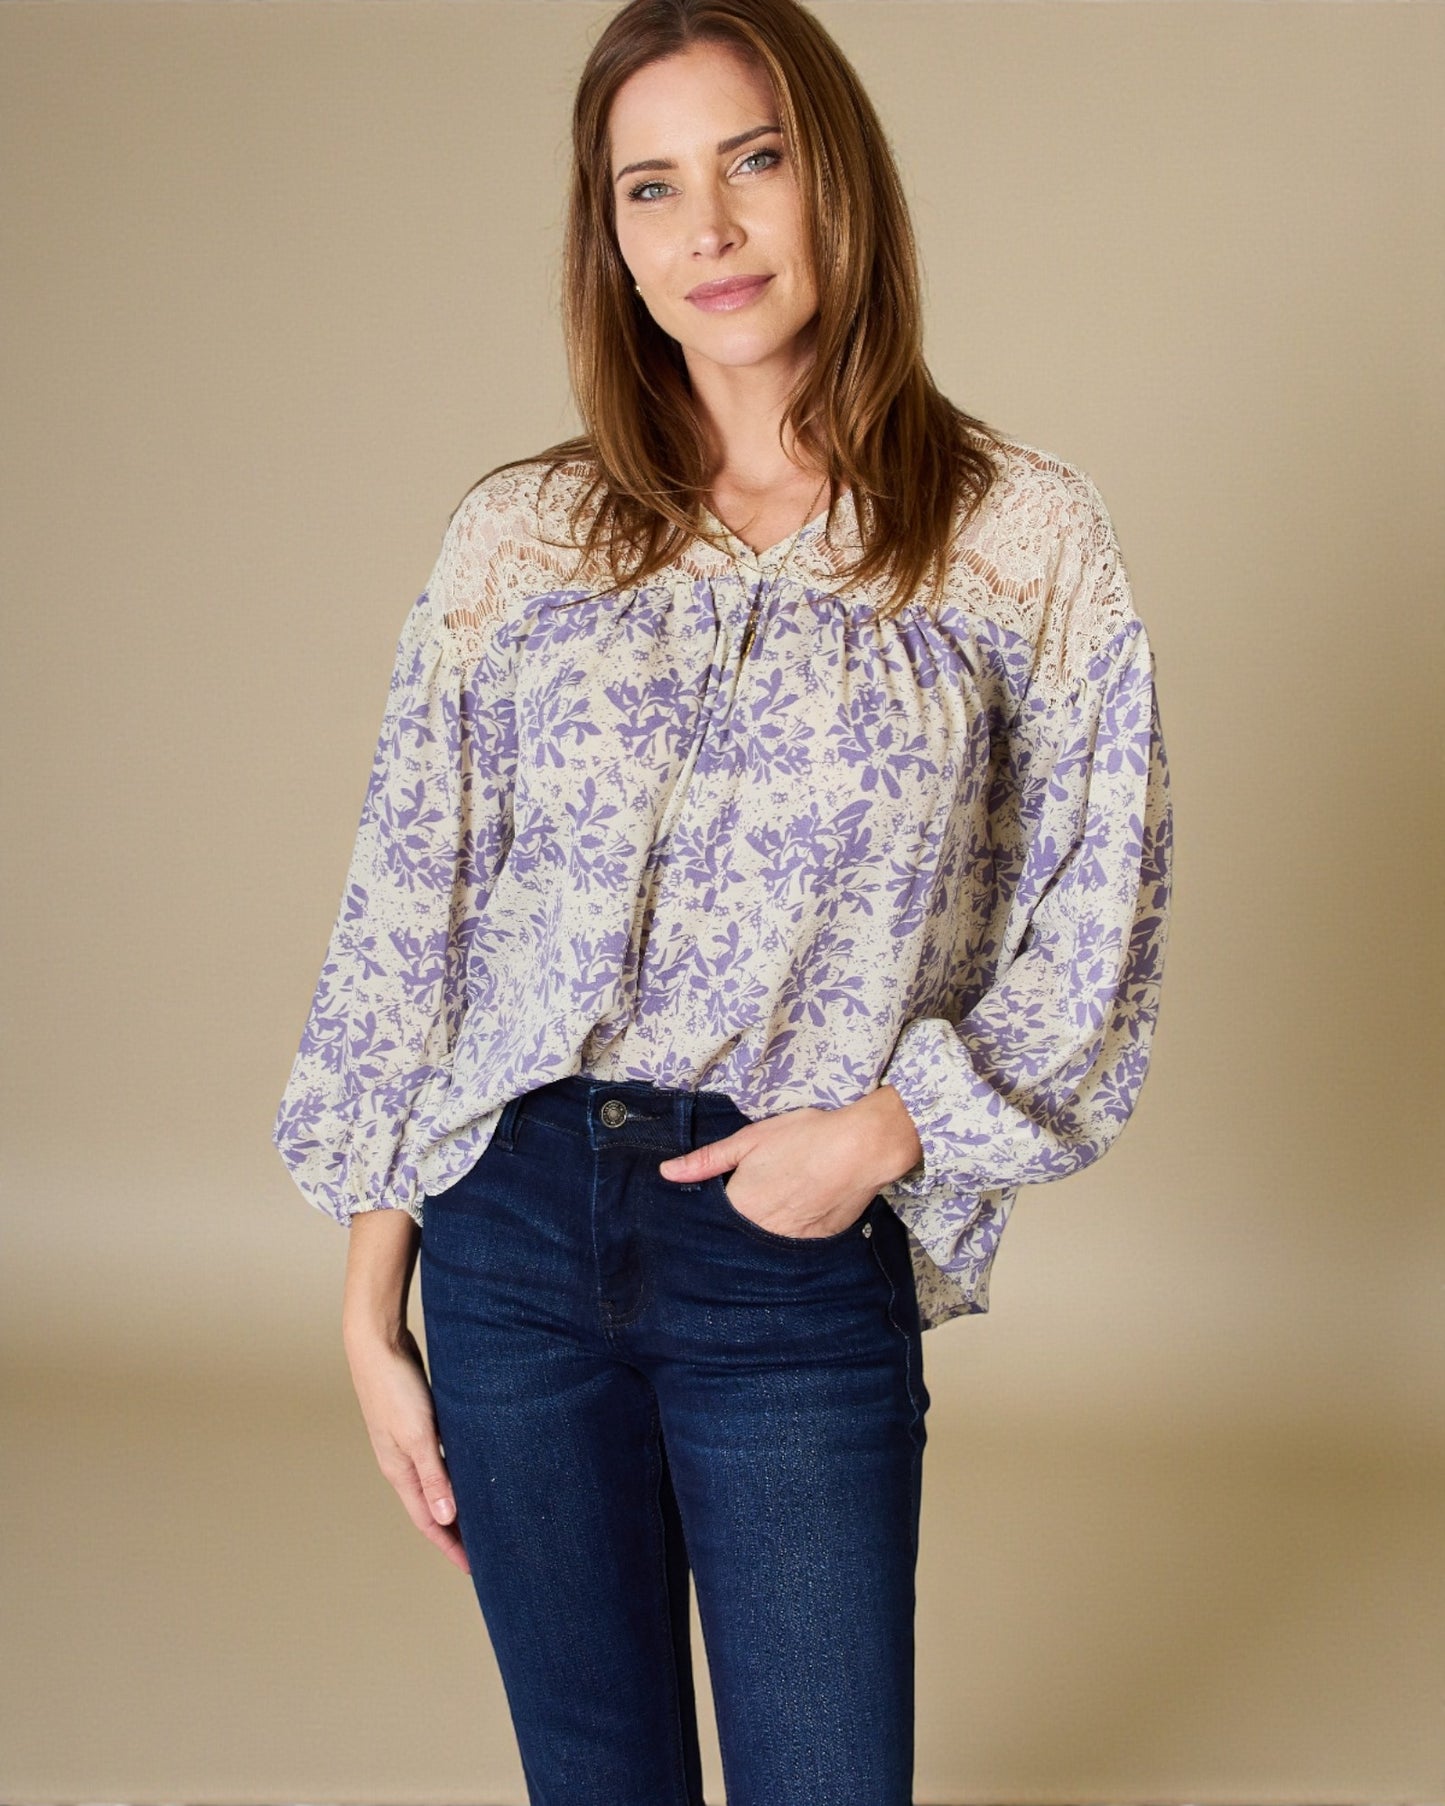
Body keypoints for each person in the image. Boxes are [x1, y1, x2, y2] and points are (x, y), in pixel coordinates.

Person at [271, 1, 1174, 1800]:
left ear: (832, 176)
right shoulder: (520, 541)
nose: (711, 231)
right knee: (595, 1775)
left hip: (784, 1244)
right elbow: (406, 919)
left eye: (752, 160)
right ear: (607, 239)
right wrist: (372, 1310)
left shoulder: (1016, 538)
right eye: (650, 187)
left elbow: (1103, 919)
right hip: (508, 1234)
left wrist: (888, 1132)